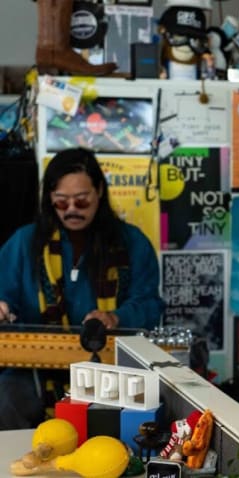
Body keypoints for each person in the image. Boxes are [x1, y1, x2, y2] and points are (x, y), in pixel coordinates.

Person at [0, 147, 164, 429]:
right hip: (35, 368)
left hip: (111, 369)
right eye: (62, 202)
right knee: (6, 398)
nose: (72, 209)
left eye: (81, 200)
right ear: (49, 198)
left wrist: (116, 317)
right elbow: (5, 294)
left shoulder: (132, 243)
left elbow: (149, 303)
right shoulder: (23, 243)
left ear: (99, 191)